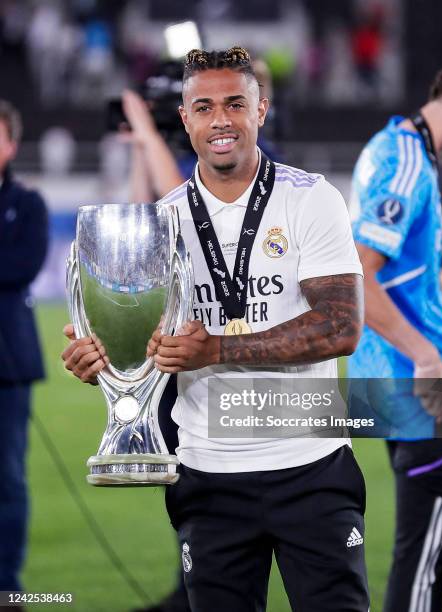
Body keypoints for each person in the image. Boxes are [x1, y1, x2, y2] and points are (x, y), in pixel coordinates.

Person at [62, 47, 369, 612]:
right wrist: (105, 363)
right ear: (184, 119)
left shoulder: (311, 198)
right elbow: (151, 346)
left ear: (261, 110)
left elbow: (341, 326)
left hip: (310, 464)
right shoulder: (165, 219)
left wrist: (218, 348)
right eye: (203, 107)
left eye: (235, 103)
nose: (220, 119)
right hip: (206, 474)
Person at [348, 51, 442, 612]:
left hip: (406, 386)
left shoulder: (391, 148)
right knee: (423, 565)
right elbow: (358, 278)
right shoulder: (407, 163)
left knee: (429, 553)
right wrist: (428, 358)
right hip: (424, 392)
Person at [0, 100, 48, 598]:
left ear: (11, 145)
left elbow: (22, 266)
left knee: (7, 480)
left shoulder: (27, 203)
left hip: (7, 366)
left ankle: (7, 589)